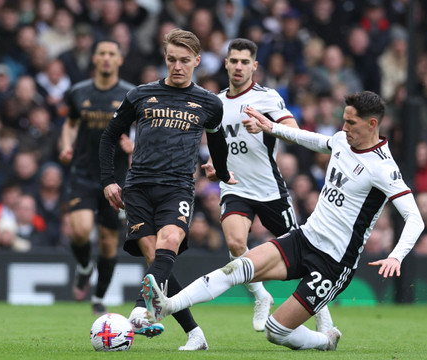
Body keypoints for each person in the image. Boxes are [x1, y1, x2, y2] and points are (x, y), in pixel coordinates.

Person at [142, 91, 425, 351]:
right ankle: (167, 305)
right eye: (344, 120)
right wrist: (272, 128)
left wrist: (396, 256)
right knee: (237, 268)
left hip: (334, 262)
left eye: (351, 123)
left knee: (275, 331)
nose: (344, 127)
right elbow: (313, 140)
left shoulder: (383, 169)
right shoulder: (342, 141)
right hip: (305, 238)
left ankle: (326, 342)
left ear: (372, 124)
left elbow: (415, 218)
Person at [99, 28, 236, 351]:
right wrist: (108, 180)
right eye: (172, 59)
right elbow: (108, 137)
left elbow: (217, 141)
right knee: (157, 262)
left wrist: (224, 172)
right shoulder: (140, 95)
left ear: (197, 61)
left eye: (184, 61)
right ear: (165, 58)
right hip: (138, 188)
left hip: (177, 188)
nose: (177, 66)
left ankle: (139, 309)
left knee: (169, 243)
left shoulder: (209, 103)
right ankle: (195, 334)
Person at [201, 38, 332, 332]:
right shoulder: (216, 103)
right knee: (235, 242)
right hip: (235, 187)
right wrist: (214, 165)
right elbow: (221, 144)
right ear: (225, 63)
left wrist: (264, 125)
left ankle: (323, 317)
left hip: (270, 189)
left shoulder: (267, 98)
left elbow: (295, 132)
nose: (238, 66)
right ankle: (261, 296)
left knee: (304, 255)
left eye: (244, 62)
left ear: (254, 66)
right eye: (233, 61)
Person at [59, 39, 136, 316]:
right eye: (101, 53)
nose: (106, 58)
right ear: (94, 59)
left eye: (111, 53)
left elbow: (143, 130)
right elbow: (70, 125)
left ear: (119, 59)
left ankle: (99, 297)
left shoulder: (131, 94)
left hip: (116, 177)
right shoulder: (78, 92)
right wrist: (66, 145)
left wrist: (133, 146)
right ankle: (83, 267)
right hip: (83, 172)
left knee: (107, 241)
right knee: (79, 230)